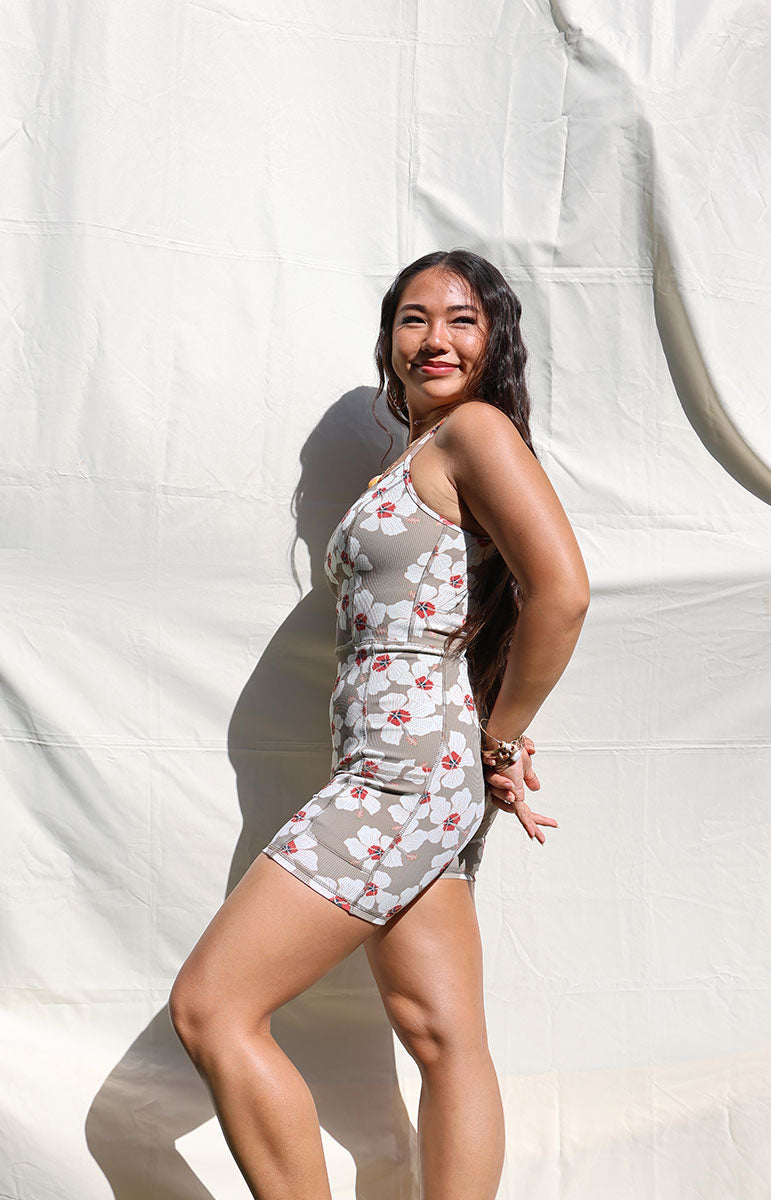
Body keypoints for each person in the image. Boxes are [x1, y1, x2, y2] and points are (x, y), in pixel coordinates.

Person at [169, 248, 590, 1199]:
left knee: (212, 1010)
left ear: (494, 341)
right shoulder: (424, 451)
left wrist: (499, 737)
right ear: (388, 339)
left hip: (402, 772)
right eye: (412, 318)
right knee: (442, 1036)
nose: (433, 337)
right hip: (408, 767)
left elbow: (560, 592)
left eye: (460, 319)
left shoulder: (475, 431)